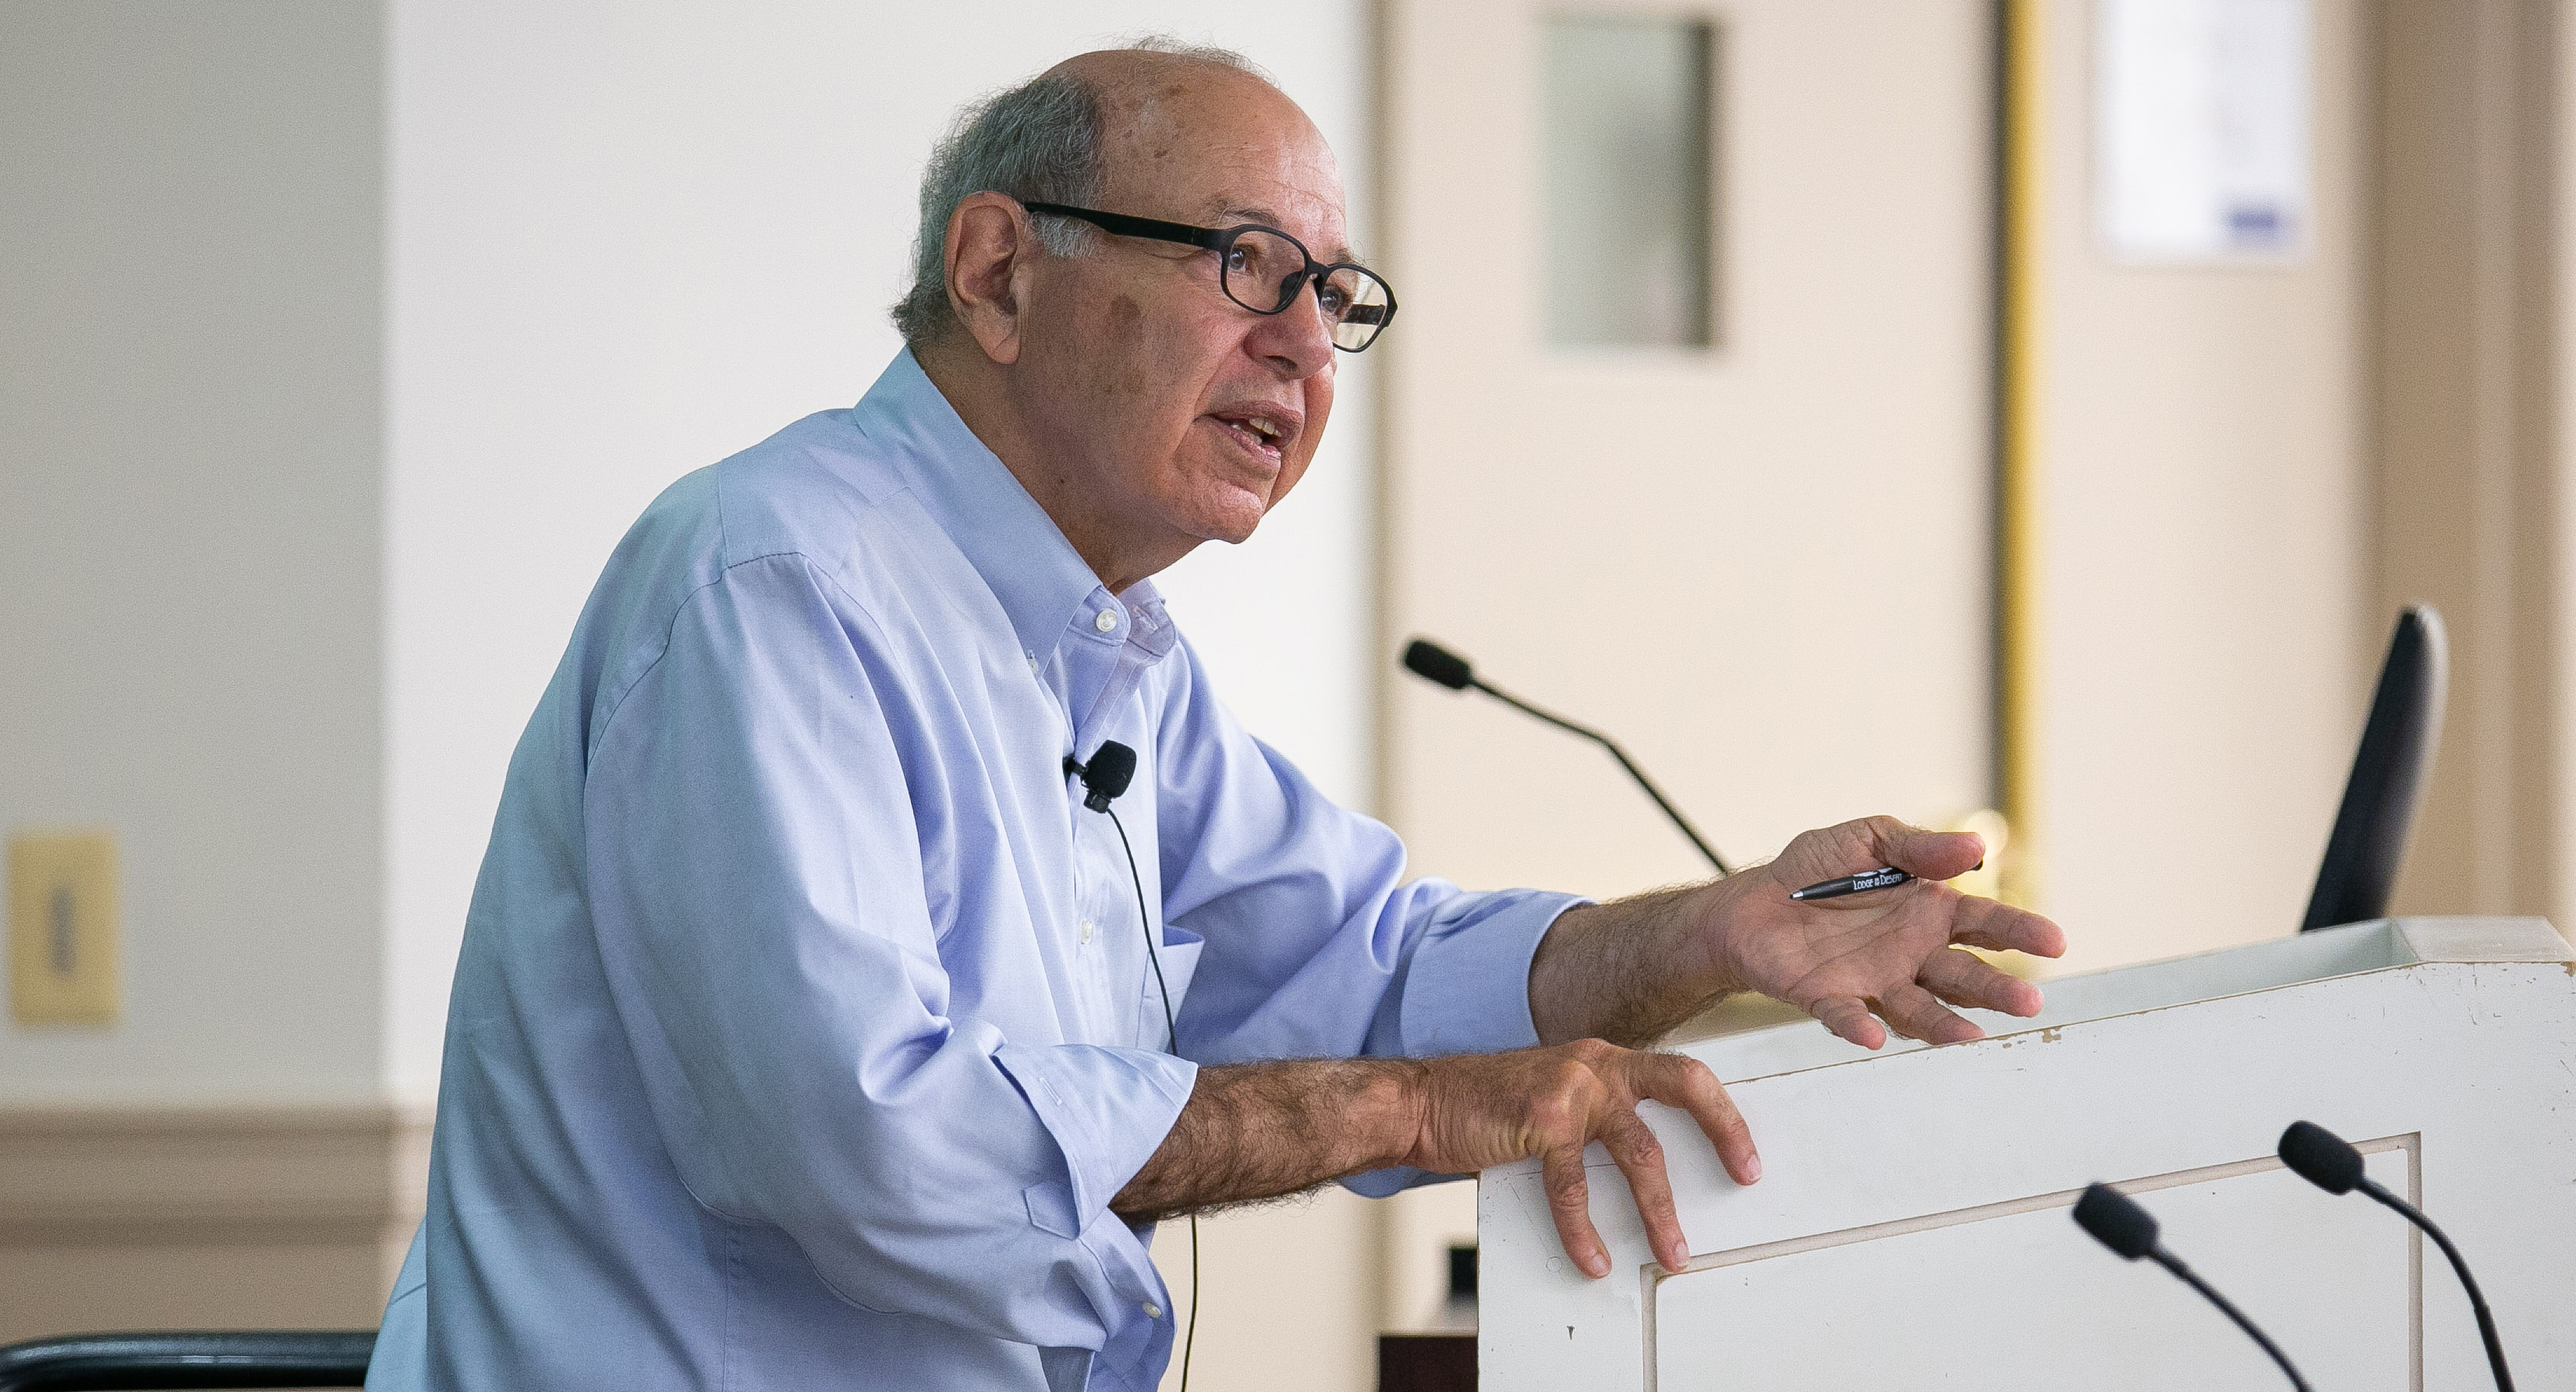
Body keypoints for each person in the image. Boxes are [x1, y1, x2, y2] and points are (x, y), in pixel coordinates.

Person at [363, 40, 2064, 1392]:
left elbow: (1375, 965)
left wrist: (1708, 931)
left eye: (1336, 301)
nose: (1304, 352)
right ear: (998, 272)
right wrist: (1408, 1109)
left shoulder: (1109, 654)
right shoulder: (773, 579)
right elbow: (871, 1142)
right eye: (1249, 266)